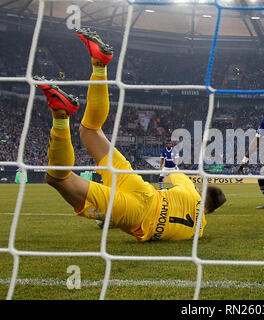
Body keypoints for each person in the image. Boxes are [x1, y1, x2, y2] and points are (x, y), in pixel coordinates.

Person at [35, 28, 226, 242]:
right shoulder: (196, 231)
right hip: (136, 213)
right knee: (57, 177)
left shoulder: (190, 188)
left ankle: (100, 65)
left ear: (201, 190)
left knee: (90, 131)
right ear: (210, 212)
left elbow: (175, 174)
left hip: (142, 189)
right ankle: (60, 115)